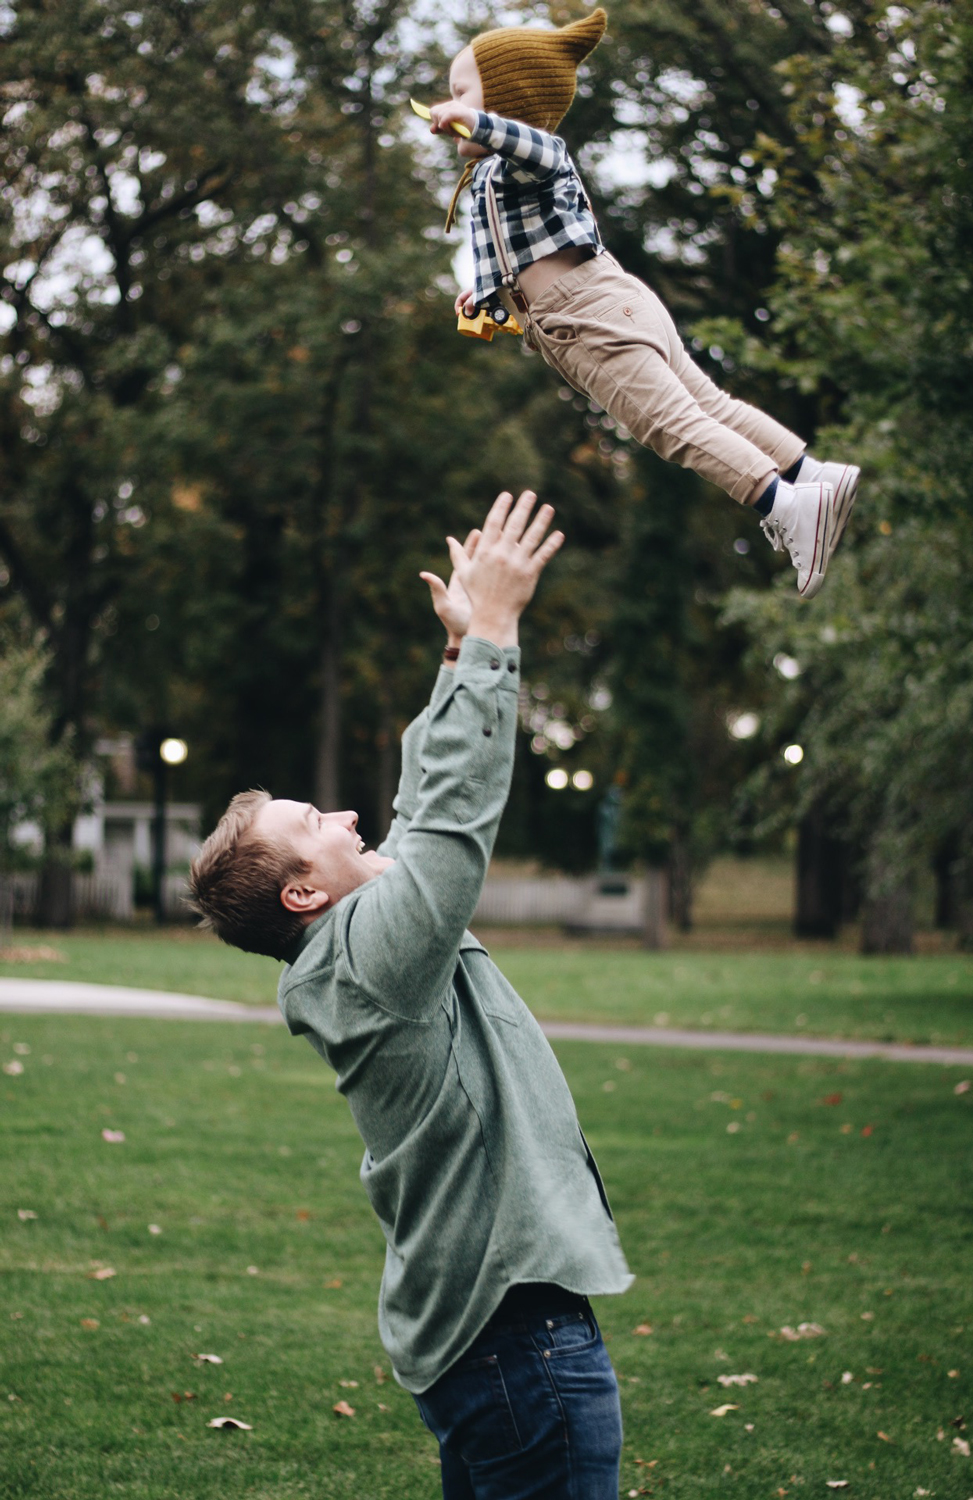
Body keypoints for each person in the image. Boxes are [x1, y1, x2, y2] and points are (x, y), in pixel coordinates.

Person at [189, 490, 634, 1500]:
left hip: (489, 1345)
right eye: (319, 823)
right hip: (521, 1342)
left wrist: (451, 662)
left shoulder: (354, 954)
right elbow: (444, 823)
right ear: (304, 892)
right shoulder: (371, 956)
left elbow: (411, 817)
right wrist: (493, 636)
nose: (349, 816)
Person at [419, 8, 860, 600]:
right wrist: (492, 298)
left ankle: (785, 504)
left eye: (460, 90)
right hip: (606, 298)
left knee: (666, 424)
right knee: (707, 404)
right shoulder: (494, 178)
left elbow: (541, 149)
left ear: (505, 97)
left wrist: (474, 118)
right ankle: (814, 476)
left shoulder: (524, 159)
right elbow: (532, 256)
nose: (446, 107)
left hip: (586, 316)